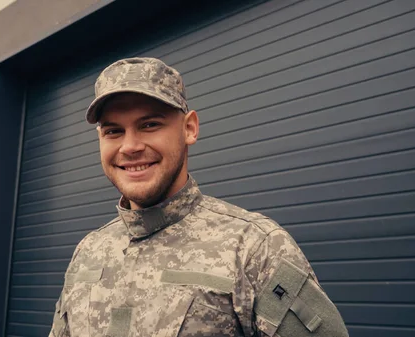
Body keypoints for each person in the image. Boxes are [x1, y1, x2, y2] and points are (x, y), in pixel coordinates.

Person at [49, 57, 349, 337]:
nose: (130, 146)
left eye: (150, 124)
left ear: (189, 128)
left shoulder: (254, 248)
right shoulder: (89, 251)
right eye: (113, 131)